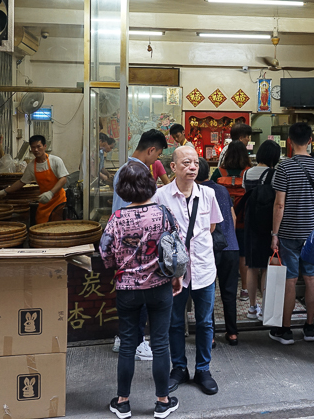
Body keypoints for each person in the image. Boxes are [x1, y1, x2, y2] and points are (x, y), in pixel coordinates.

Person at [100, 162, 181, 419]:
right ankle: (162, 402)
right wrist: (176, 277)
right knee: (160, 343)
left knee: (127, 345)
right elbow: (176, 250)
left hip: (127, 290)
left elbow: (104, 254)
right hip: (160, 287)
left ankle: (122, 403)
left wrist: (120, 267)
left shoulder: (117, 218)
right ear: (150, 185)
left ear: (123, 189)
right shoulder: (165, 214)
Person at [154, 146, 223, 395]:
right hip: (174, 274)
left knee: (205, 322)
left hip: (204, 268)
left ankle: (203, 369)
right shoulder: (160, 196)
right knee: (174, 322)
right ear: (173, 167)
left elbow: (212, 226)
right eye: (186, 163)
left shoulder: (208, 195)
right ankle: (179, 368)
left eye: (195, 163)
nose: (192, 167)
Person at [111, 129, 169, 361]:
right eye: (157, 155)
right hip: (136, 245)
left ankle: (123, 338)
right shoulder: (138, 172)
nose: (156, 161)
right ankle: (136, 343)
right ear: (151, 149)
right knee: (141, 294)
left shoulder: (124, 170)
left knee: (128, 293)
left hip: (124, 243)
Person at [270, 122, 314, 345]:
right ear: (311, 140)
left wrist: (274, 233)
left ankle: (286, 331)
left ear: (289, 142)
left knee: (290, 279)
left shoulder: (284, 168)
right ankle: (310, 327)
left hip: (288, 232)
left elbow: (279, 205)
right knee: (311, 277)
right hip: (312, 233)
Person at [197, 158, 240, 346]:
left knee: (208, 292)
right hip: (231, 246)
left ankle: (211, 336)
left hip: (209, 248)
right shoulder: (222, 190)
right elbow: (233, 217)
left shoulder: (197, 192)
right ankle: (232, 334)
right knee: (229, 292)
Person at [243, 140, 282, 320]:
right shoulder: (275, 174)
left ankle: (252, 307)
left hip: (251, 222)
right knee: (267, 266)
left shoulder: (247, 173)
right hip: (268, 223)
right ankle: (266, 307)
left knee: (252, 266)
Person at [0, 134, 67, 224]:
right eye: (33, 147)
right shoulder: (31, 166)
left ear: (45, 146)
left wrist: (51, 193)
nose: (36, 150)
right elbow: (21, 182)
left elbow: (63, 179)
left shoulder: (55, 161)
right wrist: (5, 191)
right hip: (44, 201)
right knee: (40, 224)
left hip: (59, 201)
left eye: (38, 146)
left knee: (57, 226)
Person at [212, 140, 251, 300]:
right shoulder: (248, 172)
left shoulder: (219, 172)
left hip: (222, 222)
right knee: (243, 255)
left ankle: (214, 289)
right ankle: (244, 290)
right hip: (243, 220)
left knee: (217, 253)